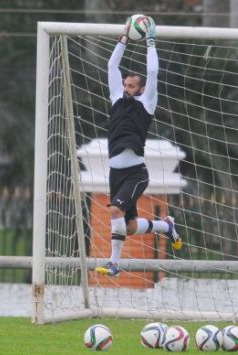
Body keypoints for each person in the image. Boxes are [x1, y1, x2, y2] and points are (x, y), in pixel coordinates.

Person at [96, 17, 182, 278]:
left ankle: (114, 264)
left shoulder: (147, 104)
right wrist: (123, 38)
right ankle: (165, 226)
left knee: (114, 210)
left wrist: (151, 42)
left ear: (142, 89)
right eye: (125, 84)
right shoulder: (115, 100)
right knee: (130, 227)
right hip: (115, 172)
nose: (125, 87)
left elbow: (153, 72)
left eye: (131, 85)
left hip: (135, 173)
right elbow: (112, 65)